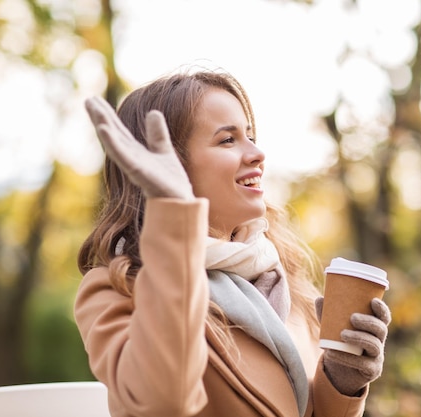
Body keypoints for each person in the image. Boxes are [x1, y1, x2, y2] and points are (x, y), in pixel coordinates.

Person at [74, 66, 392, 417]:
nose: (257, 154)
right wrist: (174, 214)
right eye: (228, 140)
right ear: (169, 166)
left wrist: (340, 380)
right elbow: (162, 402)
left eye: (250, 136)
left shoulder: (279, 276)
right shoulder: (117, 289)